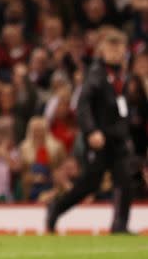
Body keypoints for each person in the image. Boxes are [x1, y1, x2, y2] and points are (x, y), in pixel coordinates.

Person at [47, 27, 137, 234]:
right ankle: (57, 207)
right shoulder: (96, 74)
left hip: (118, 138)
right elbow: (83, 105)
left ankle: (120, 225)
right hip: (101, 138)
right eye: (111, 48)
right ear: (102, 50)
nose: (115, 52)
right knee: (90, 184)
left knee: (125, 181)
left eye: (119, 48)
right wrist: (91, 131)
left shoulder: (121, 75)